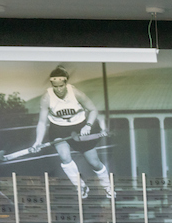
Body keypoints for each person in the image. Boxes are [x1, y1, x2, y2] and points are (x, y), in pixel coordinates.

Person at [31, 65, 112, 198]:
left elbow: (93, 110)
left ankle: (108, 187)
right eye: (55, 86)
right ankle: (81, 187)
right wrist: (38, 141)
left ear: (66, 83)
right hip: (58, 129)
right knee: (64, 157)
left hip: (80, 126)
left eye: (61, 86)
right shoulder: (47, 98)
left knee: (94, 162)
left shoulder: (76, 93)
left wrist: (88, 126)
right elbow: (42, 122)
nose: (58, 89)